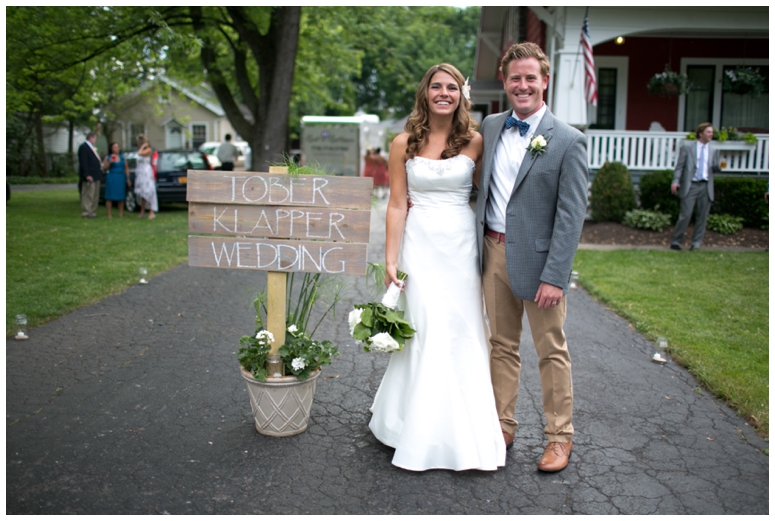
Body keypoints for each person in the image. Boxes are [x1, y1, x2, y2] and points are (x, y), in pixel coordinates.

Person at [370, 63, 506, 472]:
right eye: (436, 86)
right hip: (419, 246)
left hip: (462, 248)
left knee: (461, 328)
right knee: (424, 328)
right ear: (425, 93)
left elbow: (487, 197)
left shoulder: (476, 141)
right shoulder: (403, 143)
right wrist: (391, 259)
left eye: (451, 87)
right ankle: (409, 424)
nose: (443, 93)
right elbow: (396, 204)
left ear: (460, 94)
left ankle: (464, 427)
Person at [474, 42, 588, 473]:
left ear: (544, 82)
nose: (523, 85)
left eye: (530, 78)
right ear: (505, 82)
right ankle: (502, 425)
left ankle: (560, 437)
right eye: (515, 78)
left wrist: (556, 276)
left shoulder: (569, 141)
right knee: (500, 346)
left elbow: (571, 215)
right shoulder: (489, 126)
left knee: (550, 349)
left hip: (541, 265)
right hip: (492, 253)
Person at [670, 122, 719, 251]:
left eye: (712, 132)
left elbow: (715, 167)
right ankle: (676, 242)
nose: (711, 134)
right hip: (690, 185)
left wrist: (717, 167)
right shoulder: (688, 147)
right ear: (700, 133)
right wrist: (675, 181)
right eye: (708, 132)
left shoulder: (713, 150)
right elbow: (680, 166)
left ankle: (696, 244)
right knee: (685, 215)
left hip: (706, 186)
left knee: (702, 217)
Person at [78, 132, 104, 218]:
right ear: (91, 137)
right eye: (95, 138)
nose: (95, 140)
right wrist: (87, 174)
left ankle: (92, 211)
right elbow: (84, 162)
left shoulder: (92, 148)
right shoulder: (84, 147)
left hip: (96, 174)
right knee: (88, 194)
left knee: (95, 194)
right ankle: (86, 212)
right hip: (90, 175)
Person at [102, 142, 131, 218]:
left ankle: (120, 213)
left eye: (118, 147)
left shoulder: (122, 157)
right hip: (112, 177)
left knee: (120, 195)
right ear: (111, 149)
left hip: (121, 176)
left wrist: (128, 178)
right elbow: (104, 169)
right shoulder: (108, 157)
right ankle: (109, 214)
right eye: (115, 147)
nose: (117, 149)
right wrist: (109, 162)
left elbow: (126, 168)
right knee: (109, 195)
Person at [134, 134, 157, 220]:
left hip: (146, 172)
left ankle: (152, 212)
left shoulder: (148, 150)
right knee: (142, 192)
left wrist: (143, 147)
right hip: (140, 172)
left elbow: (139, 153)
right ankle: (142, 211)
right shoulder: (142, 149)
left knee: (149, 191)